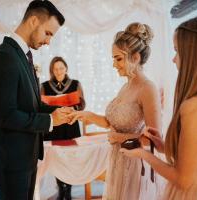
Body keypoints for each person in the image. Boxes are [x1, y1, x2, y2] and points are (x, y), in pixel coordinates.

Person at [120, 15, 197, 200]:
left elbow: (183, 179)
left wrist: (144, 154)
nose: (174, 59)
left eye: (177, 51)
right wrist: (163, 147)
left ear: (194, 55)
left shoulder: (194, 107)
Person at [0, 1, 71, 199]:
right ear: (33, 21)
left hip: (24, 157)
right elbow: (5, 116)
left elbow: (32, 105)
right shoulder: (3, 57)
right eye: (48, 33)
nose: (48, 42)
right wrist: (50, 121)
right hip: (9, 160)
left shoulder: (22, 56)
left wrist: (58, 112)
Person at [69, 22, 162, 199]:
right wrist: (85, 115)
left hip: (135, 166)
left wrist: (120, 138)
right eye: (113, 59)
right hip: (118, 161)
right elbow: (111, 123)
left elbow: (155, 142)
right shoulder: (126, 87)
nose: (114, 64)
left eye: (118, 58)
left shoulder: (147, 88)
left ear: (135, 57)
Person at [40, 56, 86, 200]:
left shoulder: (75, 84)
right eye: (56, 69)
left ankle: (69, 191)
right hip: (54, 127)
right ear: (52, 71)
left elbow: (82, 104)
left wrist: (73, 107)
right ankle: (60, 189)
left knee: (70, 158)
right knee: (56, 159)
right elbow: (41, 107)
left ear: (66, 68)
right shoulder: (44, 86)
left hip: (71, 126)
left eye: (61, 68)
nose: (59, 71)